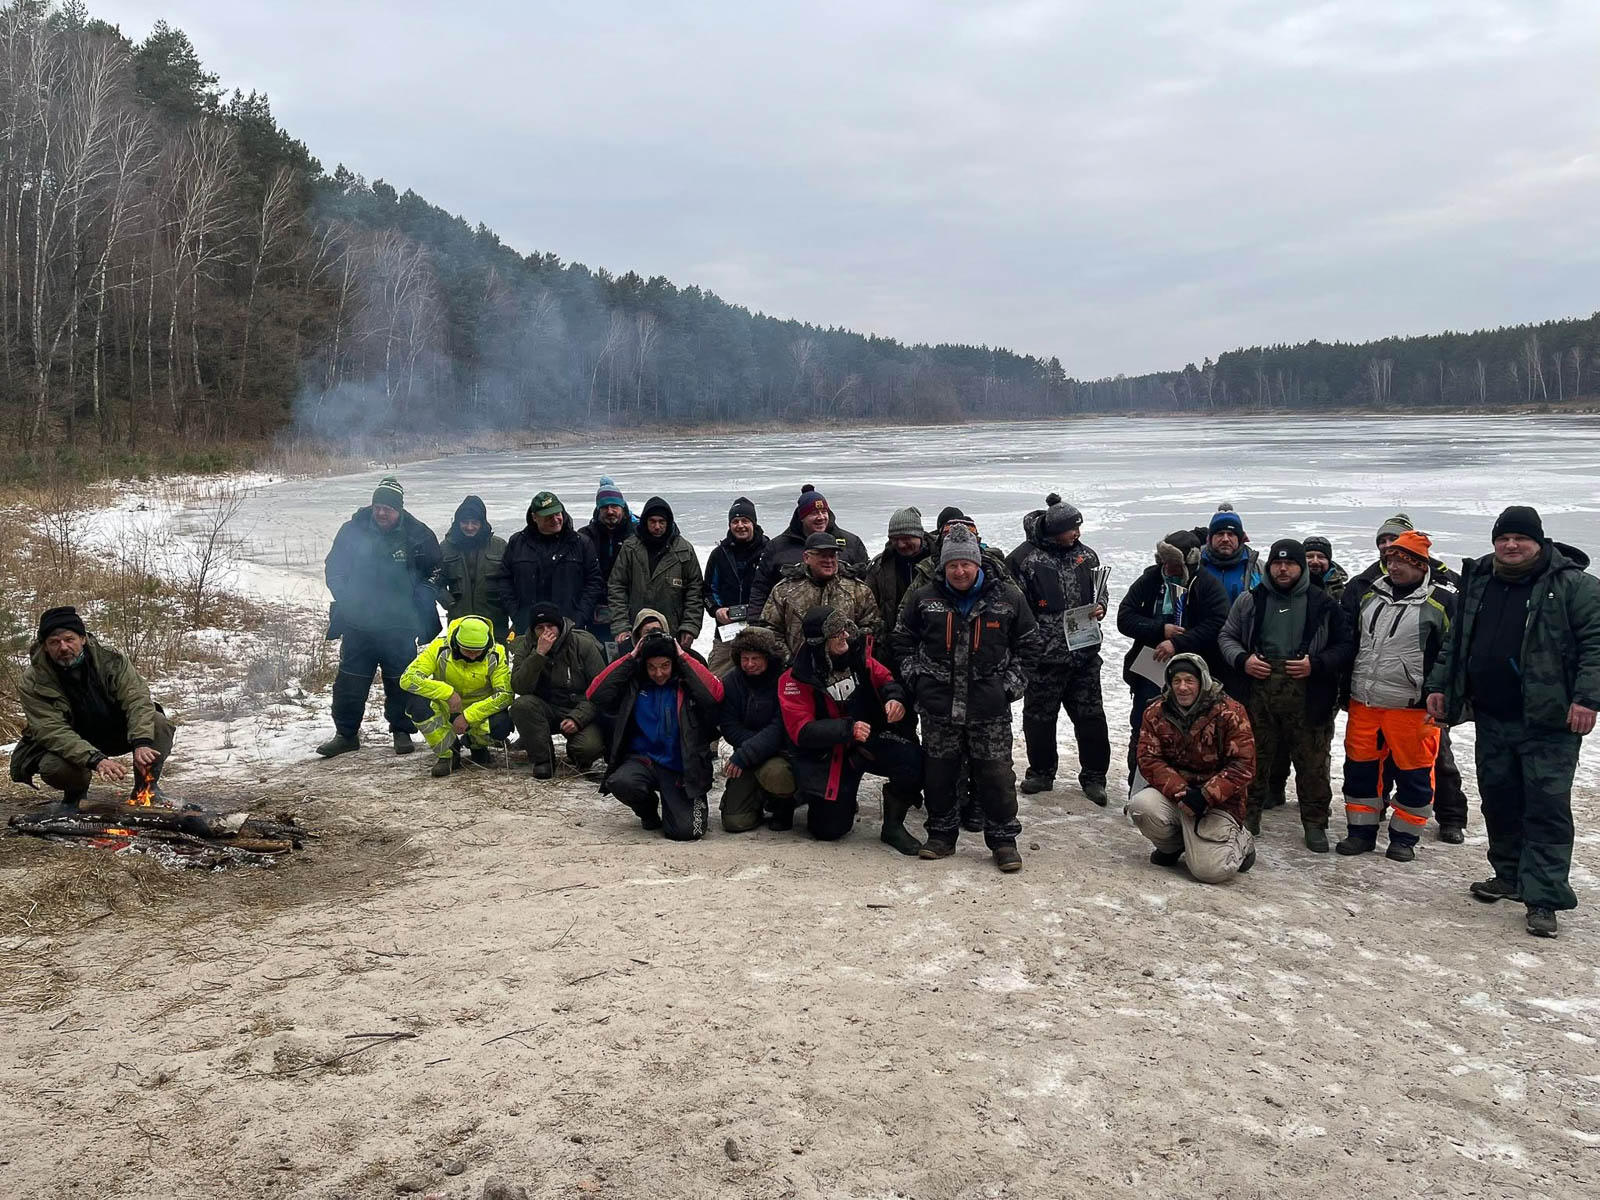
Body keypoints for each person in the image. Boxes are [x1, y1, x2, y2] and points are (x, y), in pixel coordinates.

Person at [1427, 506, 1600, 939]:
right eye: (1503, 538)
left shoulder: (1574, 586)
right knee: (1499, 799)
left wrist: (1587, 699)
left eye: (1520, 538)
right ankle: (1509, 876)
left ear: (1539, 541)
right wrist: (1440, 685)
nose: (1511, 545)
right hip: (1493, 714)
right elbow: (1457, 641)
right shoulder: (1481, 581)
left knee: (1545, 807)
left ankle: (1543, 897)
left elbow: (1596, 645)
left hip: (1550, 720)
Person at [896, 525, 1041, 871]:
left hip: (988, 707)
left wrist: (1009, 687)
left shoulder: (1008, 597)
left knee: (996, 776)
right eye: (952, 565)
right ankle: (942, 835)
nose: (959, 571)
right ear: (943, 567)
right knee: (940, 774)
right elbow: (902, 640)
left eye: (965, 564)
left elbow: (1030, 646)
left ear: (977, 564)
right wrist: (917, 679)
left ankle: (1003, 840)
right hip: (938, 706)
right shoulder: (924, 598)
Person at [1217, 538, 1353, 847]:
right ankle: (1247, 817)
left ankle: (1315, 823)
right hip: (1258, 693)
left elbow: (1345, 646)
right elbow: (1227, 635)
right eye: (1277, 563)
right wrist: (1243, 660)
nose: (1282, 568)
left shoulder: (1324, 603)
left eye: (1289, 563)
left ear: (1301, 567)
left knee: (1313, 763)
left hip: (1309, 696)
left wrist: (1316, 665)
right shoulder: (1251, 600)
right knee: (1252, 758)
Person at [1343, 512, 1469, 842]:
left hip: (1412, 708)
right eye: (1389, 559)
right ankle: (1360, 833)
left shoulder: (1442, 602)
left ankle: (1404, 839)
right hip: (1365, 703)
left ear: (1421, 565)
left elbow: (1452, 656)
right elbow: (1354, 644)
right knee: (1360, 773)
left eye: (1402, 561)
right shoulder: (1370, 594)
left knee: (1416, 775)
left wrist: (1443, 696)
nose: (1394, 566)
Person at [778, 606, 923, 852]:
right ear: (820, 641)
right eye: (836, 633)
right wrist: (847, 729)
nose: (844, 636)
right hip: (829, 755)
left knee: (915, 760)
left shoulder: (860, 660)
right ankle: (805, 797)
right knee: (828, 831)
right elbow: (801, 732)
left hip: (870, 740)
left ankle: (893, 825)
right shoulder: (795, 678)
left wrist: (894, 699)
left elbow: (887, 679)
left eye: (845, 629)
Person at [319, 476, 441, 758]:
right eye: (377, 507)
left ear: (398, 509)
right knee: (350, 681)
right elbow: (334, 566)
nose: (381, 513)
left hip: (399, 624)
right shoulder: (352, 530)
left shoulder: (418, 534)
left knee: (401, 680)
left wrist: (421, 596)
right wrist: (345, 595)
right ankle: (346, 734)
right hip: (358, 622)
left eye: (387, 508)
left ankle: (401, 730)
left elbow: (436, 569)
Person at [10, 607, 177, 809]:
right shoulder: (33, 680)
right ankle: (75, 796)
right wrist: (95, 760)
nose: (63, 647)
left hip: (115, 730)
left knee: (157, 724)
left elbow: (137, 700)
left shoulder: (111, 659)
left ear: (83, 639)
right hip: (72, 740)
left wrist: (141, 741)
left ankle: (146, 789)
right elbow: (50, 730)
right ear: (44, 647)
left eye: (69, 639)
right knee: (54, 767)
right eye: (54, 642)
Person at [1006, 494, 1111, 804]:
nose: (1077, 534)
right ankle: (1041, 773)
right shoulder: (1023, 559)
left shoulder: (1086, 556)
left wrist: (1101, 607)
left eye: (1078, 528)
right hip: (1044, 658)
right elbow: (1015, 608)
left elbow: (1101, 591)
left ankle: (1094, 777)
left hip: (1085, 656)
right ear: (1054, 530)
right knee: (1039, 719)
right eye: (1071, 529)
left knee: (1091, 719)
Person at [1129, 654, 1257, 883]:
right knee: (1140, 806)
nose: (1182, 687)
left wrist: (1205, 796)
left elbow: (1243, 765)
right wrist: (1182, 791)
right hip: (1176, 796)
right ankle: (1173, 846)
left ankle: (1242, 841)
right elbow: (1149, 758)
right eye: (1176, 681)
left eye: (1189, 680)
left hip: (1220, 802)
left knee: (1210, 872)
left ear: (1202, 681)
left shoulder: (1230, 712)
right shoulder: (1156, 712)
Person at [588, 630, 725, 841]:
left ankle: (678, 806)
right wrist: (631, 657)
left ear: (674, 663)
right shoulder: (635, 683)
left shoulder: (687, 684)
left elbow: (715, 694)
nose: (658, 673)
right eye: (652, 667)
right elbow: (595, 694)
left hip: (682, 768)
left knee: (688, 832)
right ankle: (648, 811)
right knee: (621, 782)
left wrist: (682, 656)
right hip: (645, 761)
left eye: (664, 666)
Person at [1117, 534, 1230, 783]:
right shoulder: (1150, 579)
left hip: (1194, 673)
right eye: (1164, 561)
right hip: (1151, 669)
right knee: (1144, 729)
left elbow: (1217, 622)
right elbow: (1124, 617)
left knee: (1192, 732)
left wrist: (1178, 642)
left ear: (1188, 562)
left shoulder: (1206, 584)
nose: (1167, 568)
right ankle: (1137, 789)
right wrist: (1160, 630)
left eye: (1173, 563)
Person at [399, 615, 514, 778]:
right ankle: (448, 753)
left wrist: (468, 716)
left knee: (502, 724)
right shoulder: (439, 648)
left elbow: (505, 695)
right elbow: (407, 679)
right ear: (456, 644)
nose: (473, 656)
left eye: (478, 651)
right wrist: (447, 693)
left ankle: (476, 744)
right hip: (446, 708)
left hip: (478, 713)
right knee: (417, 705)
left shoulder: (496, 653)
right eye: (468, 651)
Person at [509, 601, 608, 779]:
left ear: (559, 626)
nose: (546, 631)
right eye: (540, 627)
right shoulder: (525, 645)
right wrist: (538, 655)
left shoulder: (583, 644)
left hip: (578, 708)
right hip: (545, 708)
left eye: (550, 626)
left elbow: (601, 691)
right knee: (521, 705)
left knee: (588, 749)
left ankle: (577, 755)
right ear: (533, 630)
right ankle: (543, 760)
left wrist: (578, 718)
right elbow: (519, 686)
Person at [718, 626, 797, 832]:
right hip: (746, 751)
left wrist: (750, 753)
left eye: (755, 658)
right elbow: (728, 726)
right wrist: (752, 751)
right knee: (735, 823)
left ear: (768, 657)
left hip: (779, 753)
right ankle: (757, 798)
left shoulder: (786, 680)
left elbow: (780, 727)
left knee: (777, 774)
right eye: (745, 658)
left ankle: (784, 803)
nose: (749, 664)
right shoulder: (731, 681)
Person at [498, 490, 603, 638]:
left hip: (570, 626)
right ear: (535, 517)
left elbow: (594, 583)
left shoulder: (581, 543)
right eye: (548, 517)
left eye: (557, 514)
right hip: (529, 627)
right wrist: (517, 615)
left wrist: (579, 616)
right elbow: (505, 580)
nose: (555, 520)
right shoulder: (517, 543)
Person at [607, 497, 705, 654]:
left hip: (673, 632)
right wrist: (621, 626)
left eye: (662, 521)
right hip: (636, 631)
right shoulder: (630, 548)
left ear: (669, 522)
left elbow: (695, 592)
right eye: (652, 521)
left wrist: (690, 626)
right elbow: (617, 587)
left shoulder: (684, 550)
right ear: (645, 521)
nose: (657, 526)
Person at [760, 531, 881, 658]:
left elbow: (872, 627)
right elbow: (770, 630)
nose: (829, 561)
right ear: (807, 557)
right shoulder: (784, 590)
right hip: (797, 670)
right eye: (822, 556)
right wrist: (789, 661)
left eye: (832, 555)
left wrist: (850, 650)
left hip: (846, 668)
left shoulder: (857, 589)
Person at [749, 485, 869, 611]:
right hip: (793, 622)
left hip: (842, 621)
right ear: (801, 517)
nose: (821, 517)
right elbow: (760, 588)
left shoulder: (851, 543)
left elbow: (866, 584)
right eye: (814, 513)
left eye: (824, 512)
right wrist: (756, 623)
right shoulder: (777, 547)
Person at [705, 497, 769, 675]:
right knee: (716, 681)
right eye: (735, 521)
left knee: (760, 679)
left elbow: (776, 590)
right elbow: (708, 590)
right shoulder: (719, 554)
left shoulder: (769, 551)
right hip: (726, 632)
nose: (740, 525)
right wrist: (717, 610)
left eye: (745, 521)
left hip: (759, 629)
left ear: (753, 523)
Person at [864, 507, 931, 669]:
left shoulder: (940, 563)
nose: (901, 544)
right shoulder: (880, 566)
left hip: (932, 648)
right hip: (892, 650)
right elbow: (868, 606)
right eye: (895, 539)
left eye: (906, 538)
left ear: (919, 535)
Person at [437, 495, 508, 642]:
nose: (469, 527)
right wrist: (449, 603)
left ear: (482, 522)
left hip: (494, 621)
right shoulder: (446, 547)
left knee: (496, 662)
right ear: (458, 522)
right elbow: (436, 580)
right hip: (460, 620)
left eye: (475, 522)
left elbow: (511, 581)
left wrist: (505, 605)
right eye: (465, 522)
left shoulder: (499, 546)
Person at [577, 476, 636, 647]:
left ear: (623, 508)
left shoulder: (636, 535)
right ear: (598, 510)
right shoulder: (585, 536)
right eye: (604, 507)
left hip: (629, 611)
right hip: (594, 612)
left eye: (615, 506)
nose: (610, 511)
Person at [1195, 504, 1261, 608]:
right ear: (1210, 538)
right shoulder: (1195, 564)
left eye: (1231, 534)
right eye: (1220, 534)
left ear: (1240, 539)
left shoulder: (1257, 568)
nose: (1225, 539)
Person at [1303, 536, 1348, 603]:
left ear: (1329, 561)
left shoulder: (1343, 586)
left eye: (1321, 557)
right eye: (1309, 556)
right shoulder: (1291, 583)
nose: (1315, 561)